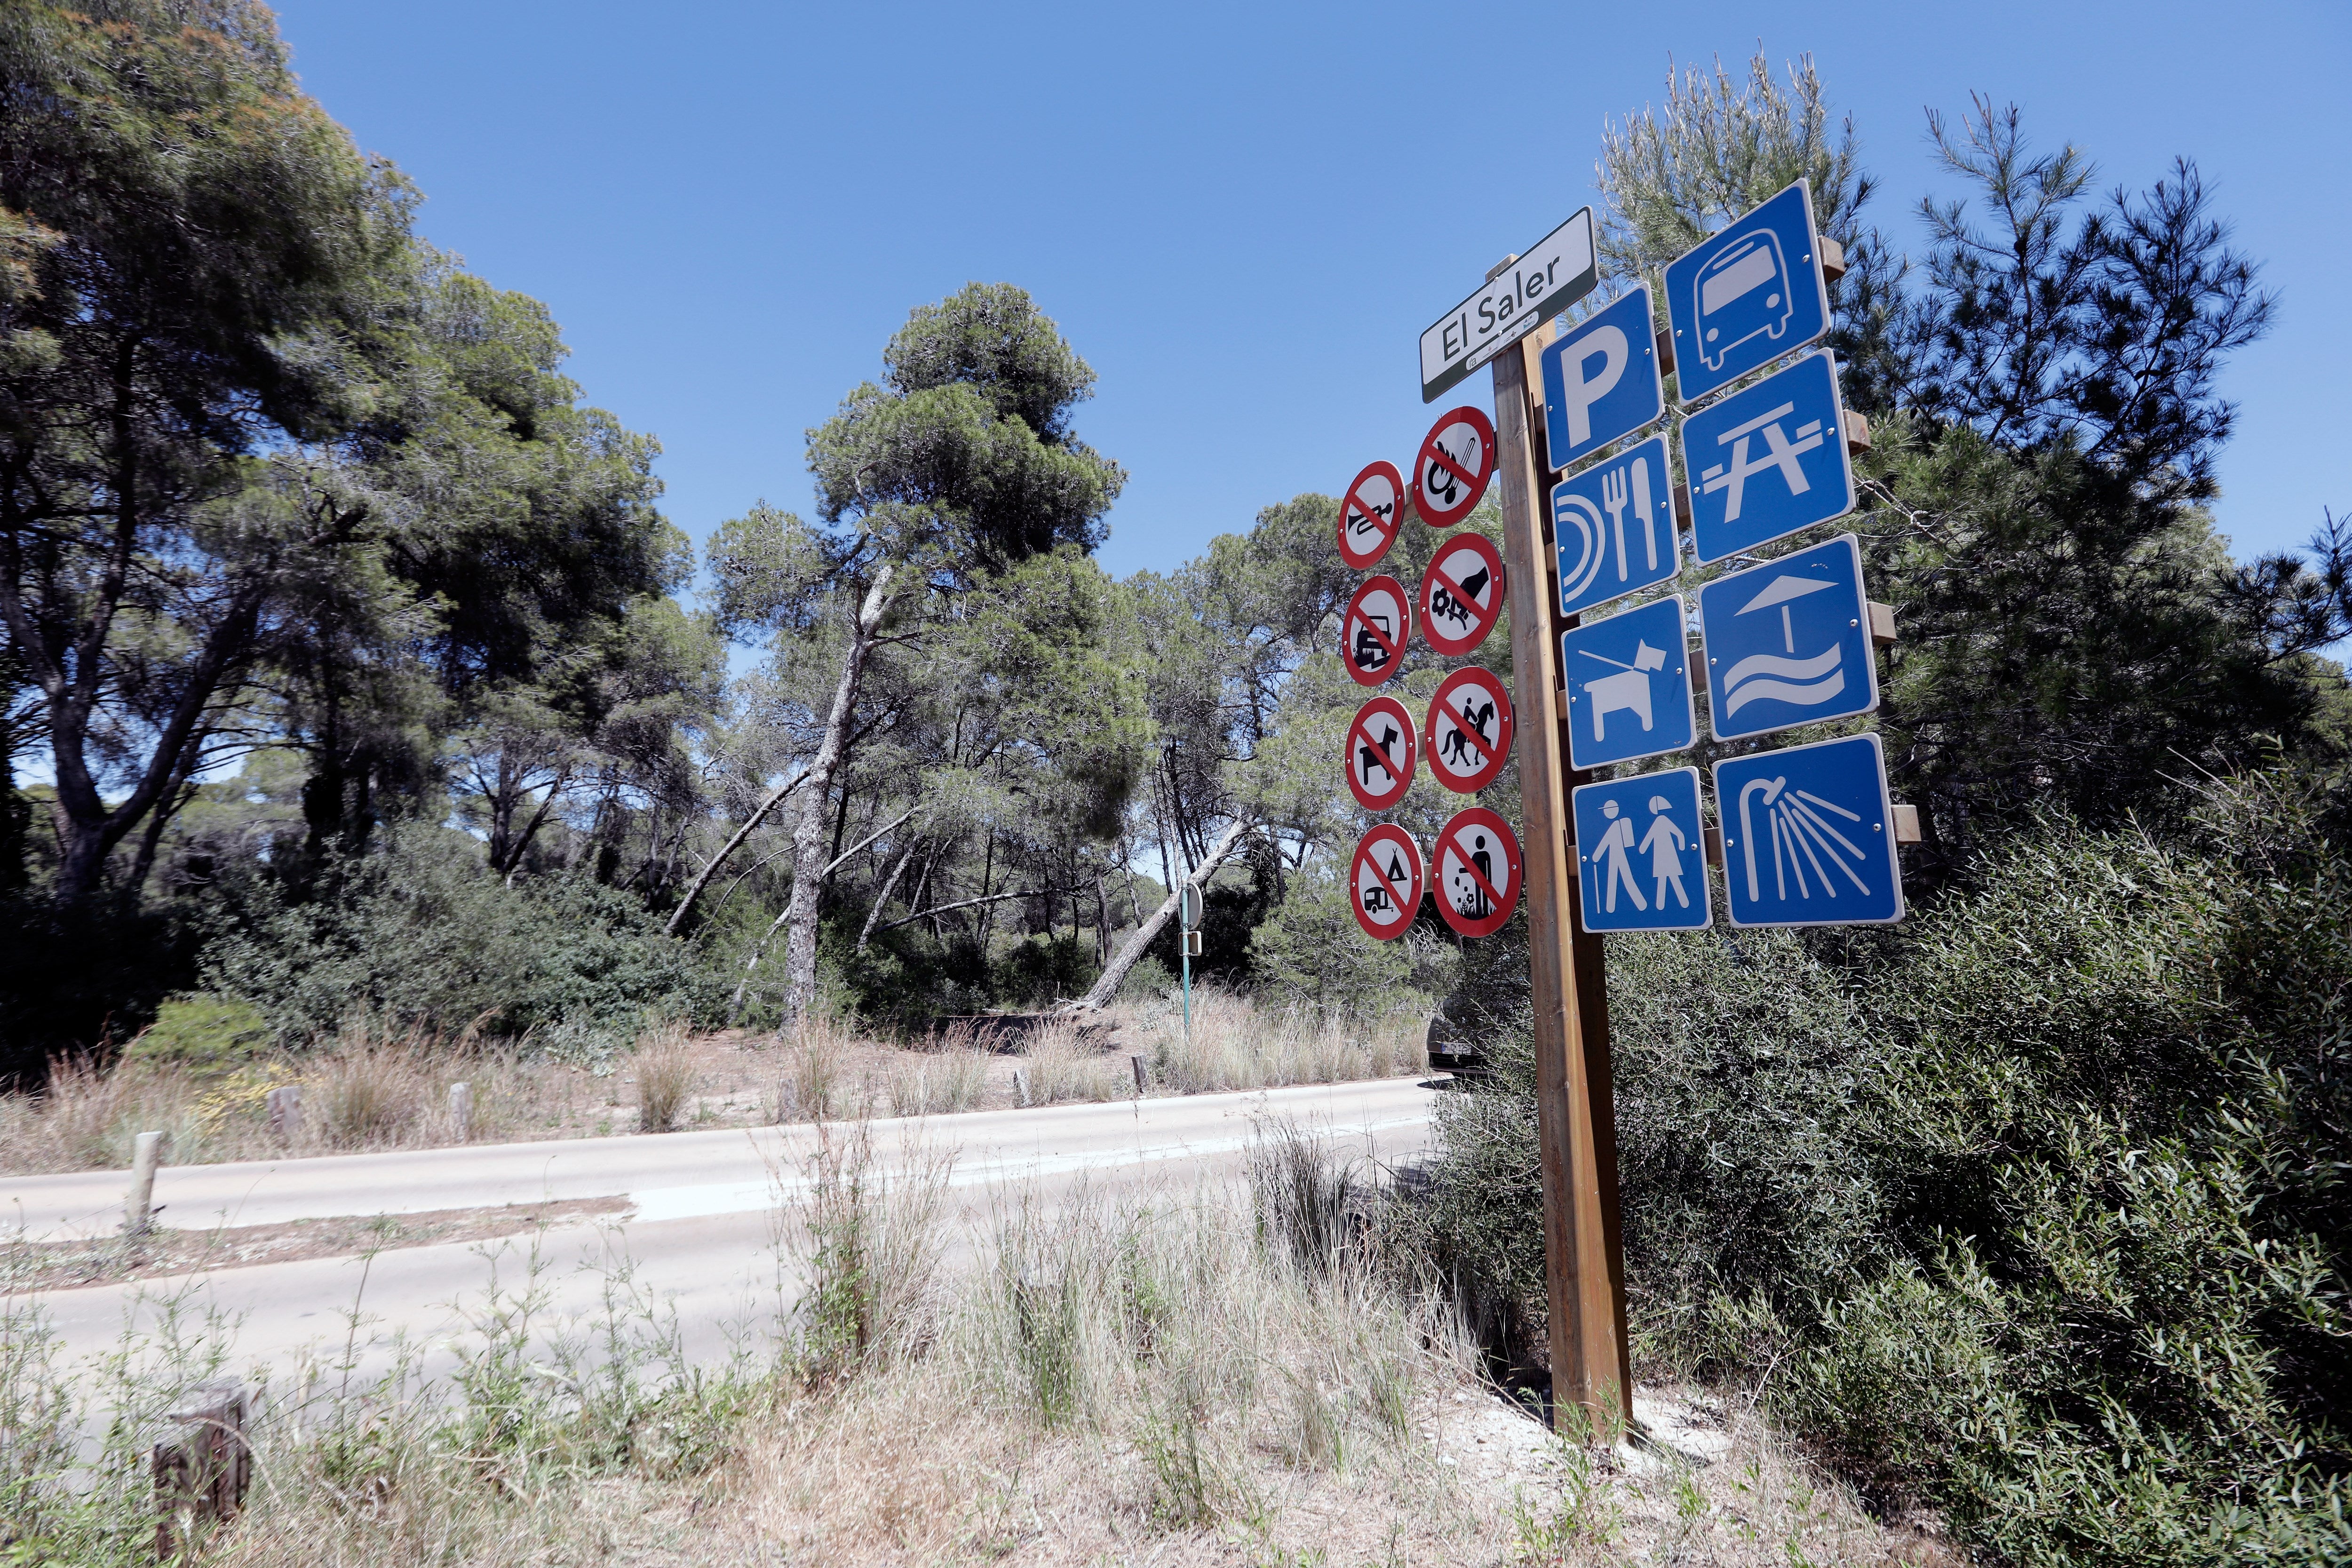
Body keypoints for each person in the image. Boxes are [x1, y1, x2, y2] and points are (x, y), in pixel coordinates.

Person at [1638, 794, 1689, 909]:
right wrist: (1643, 848)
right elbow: (1649, 837)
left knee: (1670, 877)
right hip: (1661, 857)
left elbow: (1679, 834)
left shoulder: (1662, 820)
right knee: (1665, 878)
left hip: (1668, 855)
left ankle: (1678, 903)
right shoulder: (1660, 821)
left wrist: (1682, 846)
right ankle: (1665, 905)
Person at [1594, 798, 1645, 913]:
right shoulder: (1618, 825)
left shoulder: (1616, 826)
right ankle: (1612, 908)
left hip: (1618, 857)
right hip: (1614, 858)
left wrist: (1596, 856)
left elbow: (1604, 843)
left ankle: (1640, 904)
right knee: (1616, 880)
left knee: (1622, 880)